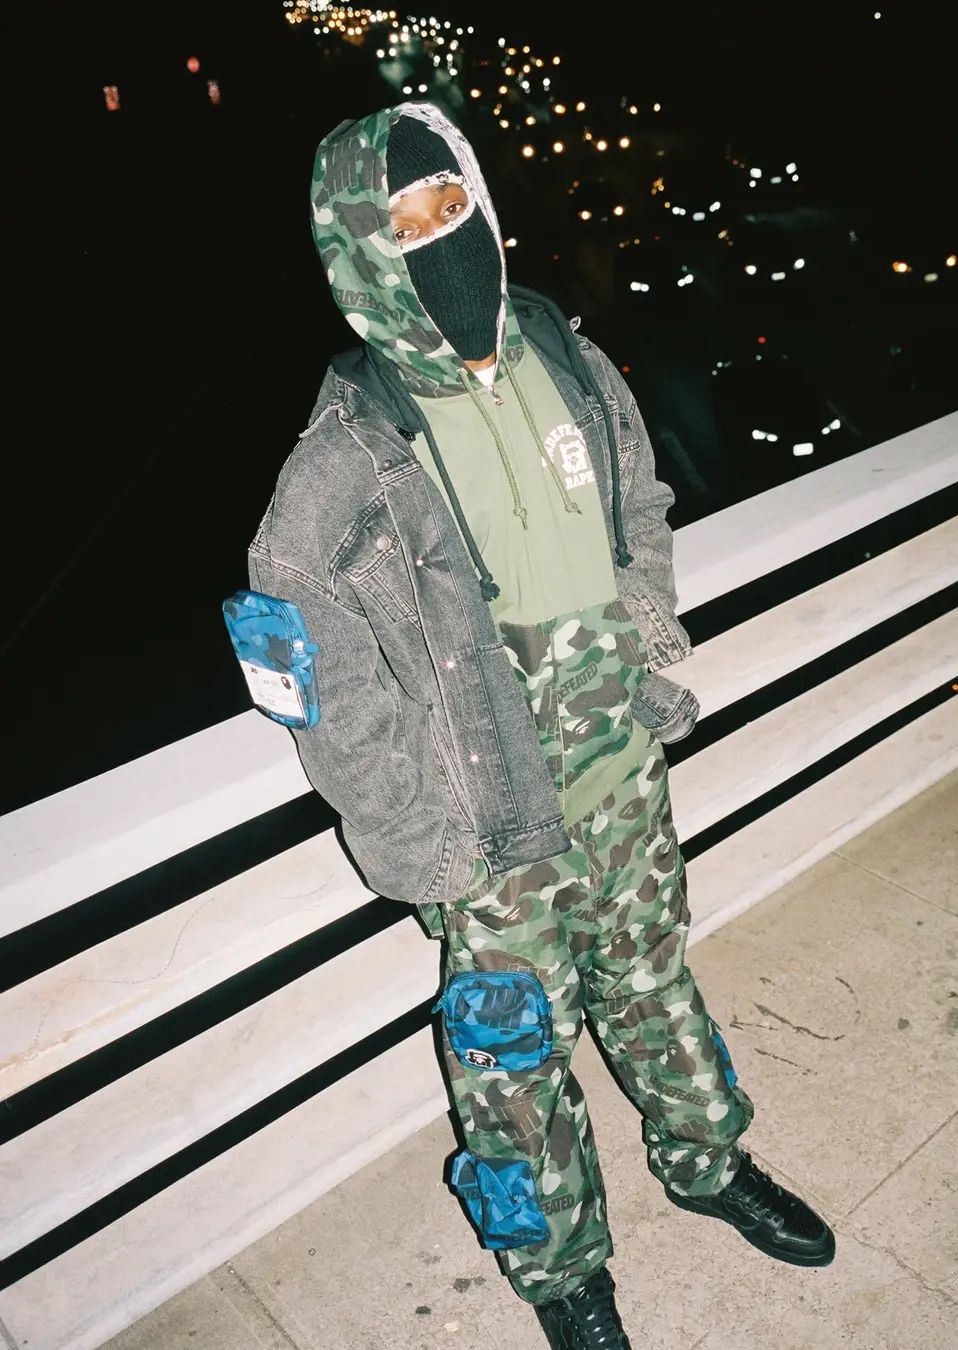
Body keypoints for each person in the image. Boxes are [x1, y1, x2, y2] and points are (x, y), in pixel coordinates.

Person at [248, 102, 834, 1349]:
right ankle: (562, 1274)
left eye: (451, 204)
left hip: (625, 775)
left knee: (656, 985)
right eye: (406, 223)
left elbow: (642, 496)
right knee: (511, 1070)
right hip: (493, 828)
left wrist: (647, 625)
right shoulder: (344, 461)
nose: (442, 239)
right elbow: (315, 685)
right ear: (358, 252)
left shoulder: (564, 352)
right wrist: (420, 845)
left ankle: (711, 1164)